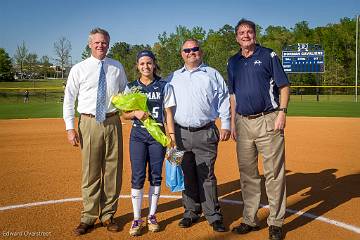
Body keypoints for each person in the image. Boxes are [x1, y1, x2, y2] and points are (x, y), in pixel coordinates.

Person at [227, 19, 290, 240]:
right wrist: (233, 122)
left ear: (255, 34)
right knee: (248, 175)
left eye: (249, 32)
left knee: (274, 173)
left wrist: (282, 112)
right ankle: (250, 219)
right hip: (243, 123)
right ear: (236, 37)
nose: (245, 35)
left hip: (268, 119)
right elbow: (233, 95)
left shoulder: (268, 55)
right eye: (241, 33)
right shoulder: (233, 62)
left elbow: (284, 86)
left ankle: (275, 221)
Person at [63, 28, 128, 236]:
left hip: (112, 120)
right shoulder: (79, 68)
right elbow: (69, 99)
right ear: (90, 44)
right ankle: (88, 217)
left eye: (104, 42)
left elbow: (126, 93)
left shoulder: (116, 67)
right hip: (89, 122)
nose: (101, 45)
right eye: (97, 42)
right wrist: (70, 127)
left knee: (113, 171)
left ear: (108, 44)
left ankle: (108, 214)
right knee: (90, 171)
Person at [167, 39, 231, 233]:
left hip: (206, 131)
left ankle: (213, 215)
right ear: (182, 54)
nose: (191, 52)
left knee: (207, 175)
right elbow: (165, 106)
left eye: (194, 49)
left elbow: (224, 100)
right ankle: (190, 212)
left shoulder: (212, 74)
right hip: (179, 134)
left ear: (200, 52)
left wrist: (226, 124)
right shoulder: (173, 77)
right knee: (185, 174)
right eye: (187, 50)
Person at [121, 50, 176, 236]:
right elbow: (124, 114)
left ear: (154, 64)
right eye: (142, 63)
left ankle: (152, 215)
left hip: (157, 137)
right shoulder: (131, 87)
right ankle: (137, 218)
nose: (146, 66)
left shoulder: (164, 85)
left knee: (155, 176)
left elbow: (168, 113)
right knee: (137, 176)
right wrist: (134, 113)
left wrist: (171, 136)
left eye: (149, 63)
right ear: (137, 65)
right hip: (138, 136)